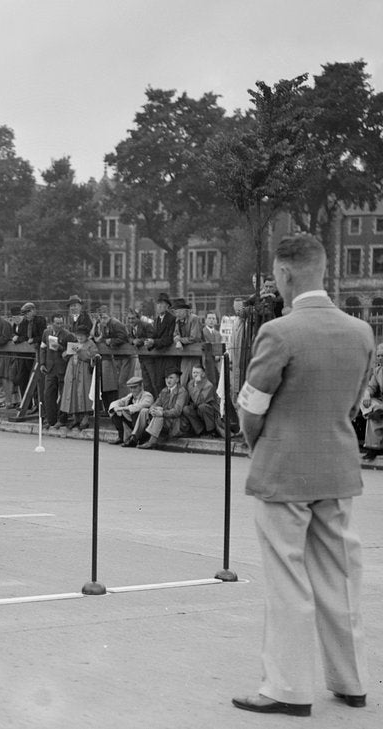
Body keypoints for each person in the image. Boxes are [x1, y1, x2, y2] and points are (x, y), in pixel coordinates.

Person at [231, 235, 373, 717]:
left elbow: (251, 407)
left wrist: (261, 446)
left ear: (286, 274)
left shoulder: (279, 332)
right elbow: (354, 403)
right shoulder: (361, 332)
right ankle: (350, 680)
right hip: (336, 466)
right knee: (340, 576)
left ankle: (287, 688)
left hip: (284, 472)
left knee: (287, 580)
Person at [134, 368, 189, 450]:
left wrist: (162, 413)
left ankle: (152, 442)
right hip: (166, 420)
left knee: (159, 414)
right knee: (144, 411)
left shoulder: (182, 392)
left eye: (171, 378)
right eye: (166, 378)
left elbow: (177, 411)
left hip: (176, 423)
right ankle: (134, 437)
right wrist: (152, 409)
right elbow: (156, 403)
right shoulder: (164, 391)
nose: (168, 380)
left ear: (177, 379)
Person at [59, 324, 97, 432]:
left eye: (82, 336)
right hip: (72, 371)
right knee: (73, 393)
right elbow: (65, 355)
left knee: (84, 394)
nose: (79, 337)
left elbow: (92, 357)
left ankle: (85, 419)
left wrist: (80, 351)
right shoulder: (74, 343)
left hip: (84, 372)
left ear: (87, 336)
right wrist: (66, 353)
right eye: (78, 335)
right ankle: (75, 418)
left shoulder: (91, 344)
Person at [142, 293, 176, 399]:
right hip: (158, 356)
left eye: (162, 304)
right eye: (158, 304)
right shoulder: (156, 320)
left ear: (167, 307)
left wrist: (154, 342)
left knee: (168, 383)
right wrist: (149, 343)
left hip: (168, 357)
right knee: (157, 383)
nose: (159, 306)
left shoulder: (171, 319)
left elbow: (168, 339)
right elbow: (154, 336)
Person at [108, 375, 154, 446]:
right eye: (131, 388)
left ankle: (136, 439)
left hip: (145, 426)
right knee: (114, 411)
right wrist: (115, 408)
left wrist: (122, 408)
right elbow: (118, 402)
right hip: (133, 423)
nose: (133, 390)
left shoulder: (147, 396)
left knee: (138, 411)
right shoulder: (130, 396)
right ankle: (121, 437)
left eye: (135, 387)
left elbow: (138, 407)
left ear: (141, 386)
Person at [182, 363, 221, 437]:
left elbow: (199, 401)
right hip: (196, 407)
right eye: (193, 372)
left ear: (203, 374)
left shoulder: (208, 385)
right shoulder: (190, 383)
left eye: (197, 372)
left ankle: (211, 430)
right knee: (186, 409)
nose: (195, 375)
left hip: (209, 410)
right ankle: (200, 431)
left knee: (202, 407)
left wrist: (198, 384)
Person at [360, 343, 383, 461]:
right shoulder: (378, 371)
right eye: (378, 355)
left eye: (382, 355)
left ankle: (373, 449)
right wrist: (367, 394)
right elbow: (370, 387)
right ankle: (372, 412)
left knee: (375, 416)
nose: (380, 358)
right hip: (380, 404)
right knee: (363, 397)